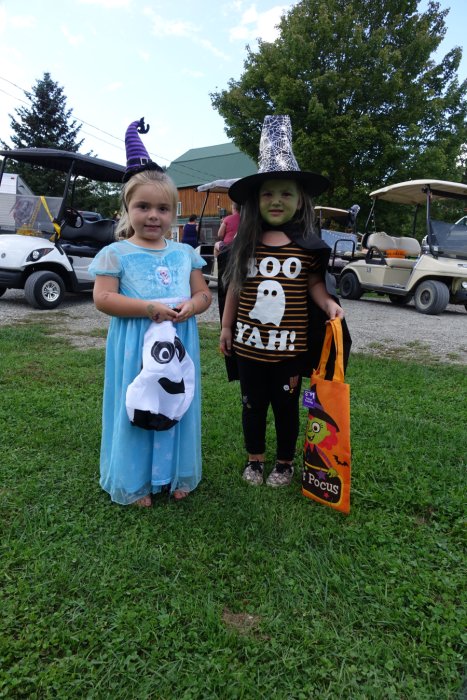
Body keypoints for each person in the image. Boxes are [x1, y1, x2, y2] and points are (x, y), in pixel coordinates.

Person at [219, 115, 348, 489]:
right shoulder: (245, 246)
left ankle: (285, 462)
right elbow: (234, 289)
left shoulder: (308, 247)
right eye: (268, 194)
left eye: (286, 193)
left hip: (290, 350)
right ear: (256, 201)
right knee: (251, 406)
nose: (276, 200)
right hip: (248, 347)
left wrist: (329, 305)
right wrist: (227, 327)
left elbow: (314, 286)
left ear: (299, 200)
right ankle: (255, 460)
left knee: (288, 407)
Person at [89, 118, 212, 507]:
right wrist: (147, 308)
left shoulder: (185, 253)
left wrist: (192, 306)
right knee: (140, 403)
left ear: (174, 212)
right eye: (143, 206)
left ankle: (174, 473)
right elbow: (103, 299)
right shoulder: (116, 253)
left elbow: (204, 294)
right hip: (135, 348)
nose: (153, 216)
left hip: (177, 346)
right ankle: (137, 479)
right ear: (128, 207)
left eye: (163, 208)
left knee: (175, 400)